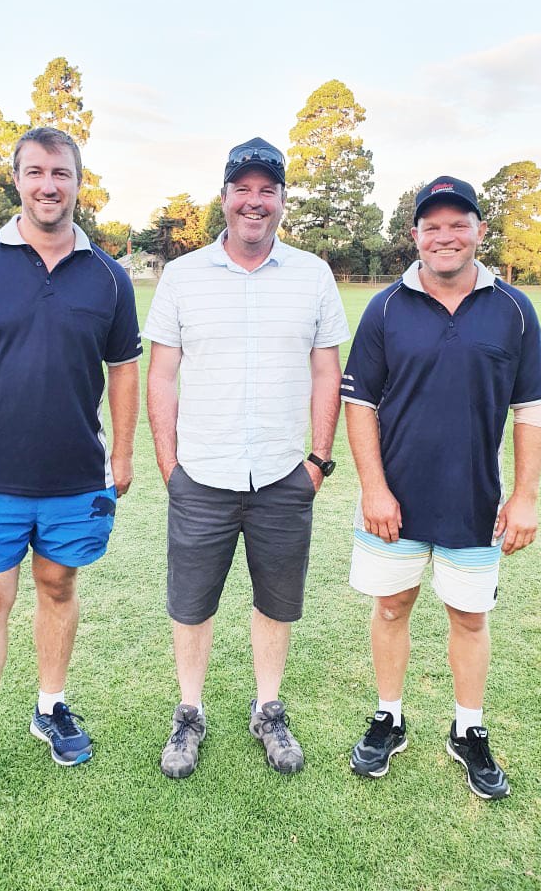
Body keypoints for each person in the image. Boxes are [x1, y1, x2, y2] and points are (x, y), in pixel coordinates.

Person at [0, 127, 141, 828]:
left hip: (77, 477)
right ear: (17, 180)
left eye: (61, 173)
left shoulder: (108, 276)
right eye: (35, 171)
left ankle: (49, 708)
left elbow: (124, 370)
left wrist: (123, 456)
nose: (49, 185)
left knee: (58, 585)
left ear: (78, 180)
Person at [342, 176, 541, 799]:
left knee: (469, 616)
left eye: (457, 223)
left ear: (479, 231)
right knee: (390, 608)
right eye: (431, 226)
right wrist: (374, 488)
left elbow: (532, 407)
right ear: (414, 235)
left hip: (475, 502)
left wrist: (526, 495)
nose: (444, 236)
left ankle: (467, 729)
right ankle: (389, 716)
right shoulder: (385, 307)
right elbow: (359, 404)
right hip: (393, 504)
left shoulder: (513, 308)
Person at [144, 137, 349, 778]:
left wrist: (318, 460)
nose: (254, 202)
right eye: (243, 189)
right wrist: (169, 463)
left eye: (268, 190)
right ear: (225, 197)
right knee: (192, 603)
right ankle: (189, 713)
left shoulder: (313, 275)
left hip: (285, 471)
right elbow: (162, 375)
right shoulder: (183, 276)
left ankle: (268, 708)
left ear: (282, 200)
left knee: (276, 601)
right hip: (201, 472)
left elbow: (326, 372)